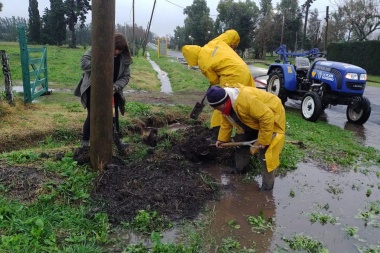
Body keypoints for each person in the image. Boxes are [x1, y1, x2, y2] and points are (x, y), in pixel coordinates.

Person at [206, 84, 286, 191]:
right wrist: (222, 140)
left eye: (218, 107)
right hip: (252, 120)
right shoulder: (224, 106)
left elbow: (267, 116)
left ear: (225, 101)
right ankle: (240, 169)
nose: (217, 110)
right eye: (215, 108)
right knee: (240, 140)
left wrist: (263, 140)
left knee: (266, 154)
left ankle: (267, 186)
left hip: (272, 117)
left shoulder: (244, 99)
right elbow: (226, 122)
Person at [181, 29, 255, 140]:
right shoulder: (214, 42)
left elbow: (215, 82)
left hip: (232, 76)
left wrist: (214, 86)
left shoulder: (203, 63)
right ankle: (253, 128)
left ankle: (217, 132)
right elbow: (232, 34)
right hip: (244, 70)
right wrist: (233, 45)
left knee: (221, 104)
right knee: (247, 101)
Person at [77, 33, 133, 148]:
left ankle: (116, 143)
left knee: (113, 116)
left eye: (120, 50)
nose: (117, 52)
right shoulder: (97, 48)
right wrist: (101, 61)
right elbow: (83, 63)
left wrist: (115, 87)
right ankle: (85, 144)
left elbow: (126, 77)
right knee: (93, 115)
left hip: (113, 91)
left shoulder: (124, 58)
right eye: (115, 49)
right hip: (93, 89)